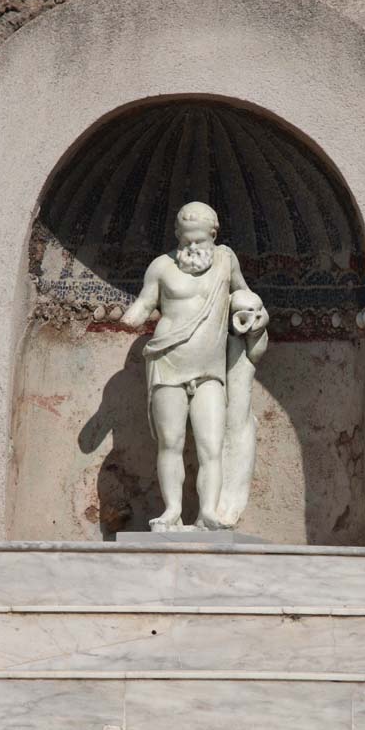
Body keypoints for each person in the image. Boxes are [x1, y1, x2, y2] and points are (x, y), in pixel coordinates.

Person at [120, 202, 268, 530]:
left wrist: (255, 317)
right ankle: (172, 510)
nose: (192, 247)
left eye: (199, 240)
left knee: (211, 445)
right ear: (177, 234)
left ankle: (208, 512)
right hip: (167, 361)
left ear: (213, 236)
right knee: (170, 443)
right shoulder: (161, 267)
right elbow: (145, 302)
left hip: (209, 370)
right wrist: (132, 316)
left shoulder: (226, 261)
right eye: (186, 240)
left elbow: (245, 296)